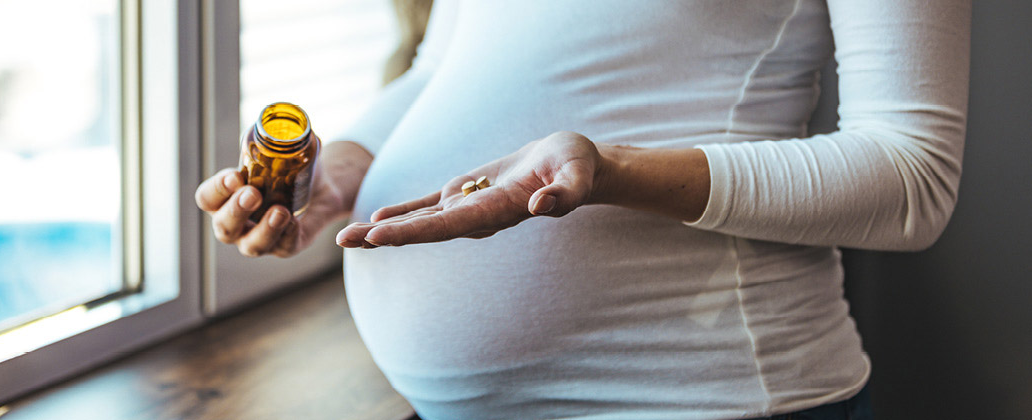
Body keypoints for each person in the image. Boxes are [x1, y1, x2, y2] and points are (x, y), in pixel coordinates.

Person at [195, 0, 969, 418]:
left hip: (706, 397)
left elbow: (912, 178)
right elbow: (444, 61)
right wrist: (345, 169)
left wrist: (610, 170)